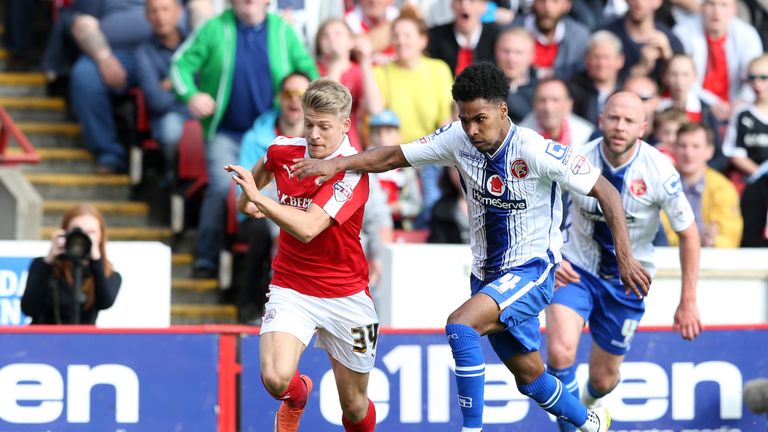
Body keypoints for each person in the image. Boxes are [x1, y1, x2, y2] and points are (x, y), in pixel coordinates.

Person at [291, 62, 653, 432]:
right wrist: (338, 164)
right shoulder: (457, 139)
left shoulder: (536, 150)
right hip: (487, 277)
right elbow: (394, 156)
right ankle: (592, 421)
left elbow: (605, 190)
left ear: (502, 110)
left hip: (532, 271)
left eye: (480, 119)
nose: (472, 129)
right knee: (531, 378)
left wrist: (626, 257)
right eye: (465, 120)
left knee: (460, 327)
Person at [545, 91, 703, 432]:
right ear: (601, 120)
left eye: (629, 121)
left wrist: (688, 301)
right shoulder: (576, 161)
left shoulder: (660, 171)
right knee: (560, 352)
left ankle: (586, 405)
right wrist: (551, 254)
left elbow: (689, 234)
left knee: (603, 380)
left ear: (643, 128)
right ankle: (576, 426)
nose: (620, 127)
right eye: (613, 118)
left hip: (627, 283)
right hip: (576, 270)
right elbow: (540, 207)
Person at [226, 78, 377, 431]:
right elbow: (248, 195)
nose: (314, 135)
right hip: (291, 287)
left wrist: (262, 200)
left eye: (324, 126)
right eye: (309, 124)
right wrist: (249, 200)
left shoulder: (352, 171)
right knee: (276, 378)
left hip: (347, 295)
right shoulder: (282, 150)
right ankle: (297, 396)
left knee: (353, 407)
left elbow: (309, 228)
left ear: (344, 125)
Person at [170, 0, 318, 278]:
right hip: (227, 132)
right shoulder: (214, 27)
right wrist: (191, 95)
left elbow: (310, 72)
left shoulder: (283, 31)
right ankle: (207, 257)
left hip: (270, 133)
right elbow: (180, 66)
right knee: (223, 189)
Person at [235, 72, 312, 324]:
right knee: (259, 232)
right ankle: (250, 308)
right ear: (279, 97)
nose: (293, 101)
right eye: (288, 94)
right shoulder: (255, 138)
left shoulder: (321, 141)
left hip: (302, 213)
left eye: (300, 95)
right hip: (260, 213)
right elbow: (244, 188)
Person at [21, 204, 121, 324]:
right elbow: (28, 308)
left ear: (101, 236)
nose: (82, 237)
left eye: (91, 232)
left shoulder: (108, 273)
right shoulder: (43, 265)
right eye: (77, 231)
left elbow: (105, 303)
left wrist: (96, 261)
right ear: (65, 233)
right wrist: (49, 260)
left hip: (83, 340)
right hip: (44, 339)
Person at [672, 0, 764, 122]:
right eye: (711, 4)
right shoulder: (682, 32)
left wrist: (741, 102)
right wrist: (711, 103)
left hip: (739, 107)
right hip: (696, 104)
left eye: (724, 5)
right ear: (702, 7)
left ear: (734, 9)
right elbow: (680, 78)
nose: (717, 12)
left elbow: (756, 76)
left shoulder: (748, 35)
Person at [661, 122, 742, 247]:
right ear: (674, 148)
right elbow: (659, 235)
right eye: (683, 146)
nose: (689, 153)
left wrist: (714, 241)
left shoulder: (723, 188)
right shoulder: (660, 184)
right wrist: (695, 240)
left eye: (696, 146)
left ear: (709, 151)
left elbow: (731, 237)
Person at [136, 0, 190, 177]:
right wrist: (185, 82)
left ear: (178, 12)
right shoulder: (143, 53)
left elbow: (209, 85)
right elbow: (156, 101)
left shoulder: (193, 45)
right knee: (171, 131)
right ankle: (172, 178)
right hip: (167, 118)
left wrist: (171, 82)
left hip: (199, 113)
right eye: (154, 11)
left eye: (165, 9)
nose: (160, 16)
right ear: (147, 16)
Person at [315, 18, 384, 151]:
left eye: (337, 34)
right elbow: (323, 106)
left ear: (351, 42)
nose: (331, 39)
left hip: (350, 146)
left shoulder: (358, 70)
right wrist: (335, 64)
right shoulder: (312, 69)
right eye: (325, 35)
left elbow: (376, 109)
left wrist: (365, 62)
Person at [658, 53, 728, 171]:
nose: (679, 80)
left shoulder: (705, 111)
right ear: (665, 77)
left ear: (694, 77)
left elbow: (719, 154)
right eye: (674, 74)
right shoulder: (658, 109)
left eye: (685, 74)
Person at [601, 0, 684, 82]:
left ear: (657, 2)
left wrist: (668, 58)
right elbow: (601, 84)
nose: (638, 2)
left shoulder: (671, 40)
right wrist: (641, 68)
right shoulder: (607, 36)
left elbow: (683, 81)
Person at [367, 110, 422, 230]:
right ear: (370, 136)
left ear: (399, 136)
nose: (382, 138)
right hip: (372, 227)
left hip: (401, 227)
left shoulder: (407, 169)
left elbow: (416, 205)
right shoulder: (364, 168)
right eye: (377, 132)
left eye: (388, 132)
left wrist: (400, 207)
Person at [516, 0, 590, 79]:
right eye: (541, 1)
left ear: (567, 5)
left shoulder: (580, 37)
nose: (547, 8)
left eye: (555, 1)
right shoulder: (511, 32)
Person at [723, 54, 768, 178]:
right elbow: (734, 153)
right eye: (752, 78)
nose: (757, 83)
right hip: (753, 183)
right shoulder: (741, 114)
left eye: (764, 78)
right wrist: (761, 174)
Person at [427, 0, 500, 76]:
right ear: (452, 5)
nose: (464, 6)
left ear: (483, 6)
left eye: (472, 1)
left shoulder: (497, 38)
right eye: (459, 1)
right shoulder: (434, 36)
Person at [568, 31, 625, 127]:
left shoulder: (627, 89)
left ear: (620, 60)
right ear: (586, 59)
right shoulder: (571, 89)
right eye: (596, 57)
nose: (601, 64)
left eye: (606, 58)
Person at [519, 78, 595, 149]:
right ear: (534, 103)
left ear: (569, 104)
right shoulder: (519, 137)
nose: (548, 108)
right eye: (542, 100)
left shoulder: (587, 135)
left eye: (555, 100)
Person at [495, 27, 538, 124]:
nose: (511, 58)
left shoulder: (541, 92)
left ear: (532, 56)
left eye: (518, 53)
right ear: (496, 52)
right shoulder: (482, 89)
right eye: (506, 51)